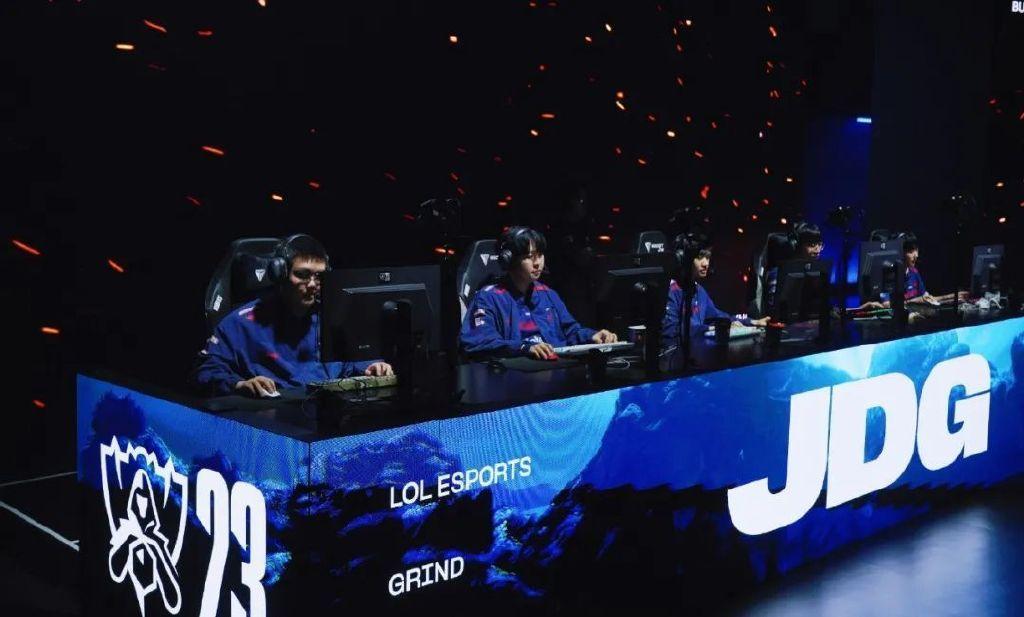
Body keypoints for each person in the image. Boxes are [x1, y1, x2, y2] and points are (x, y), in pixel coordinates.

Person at [190, 234, 392, 398]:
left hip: (328, 413)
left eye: (319, 276)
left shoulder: (334, 318)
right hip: (273, 419)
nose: (312, 284)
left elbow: (357, 359)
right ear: (280, 274)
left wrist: (373, 367)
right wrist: (240, 384)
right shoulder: (241, 323)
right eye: (302, 275)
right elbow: (206, 371)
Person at [460, 226, 617, 360]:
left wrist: (592, 336)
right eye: (529, 257)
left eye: (540, 255)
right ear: (509, 260)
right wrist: (524, 347)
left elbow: (571, 332)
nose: (537, 263)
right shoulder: (488, 298)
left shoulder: (548, 294)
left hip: (555, 370)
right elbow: (480, 342)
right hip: (512, 376)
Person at [663, 245, 770, 347]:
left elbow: (720, 317)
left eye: (708, 258)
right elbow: (671, 331)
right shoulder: (670, 291)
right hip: (674, 355)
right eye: (700, 257)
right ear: (683, 259)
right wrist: (710, 328)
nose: (706, 263)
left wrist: (752, 322)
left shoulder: (699, 291)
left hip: (695, 353)